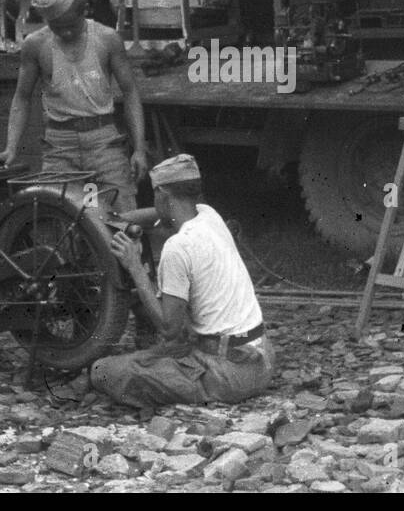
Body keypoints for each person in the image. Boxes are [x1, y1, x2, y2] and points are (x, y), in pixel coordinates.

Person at [90, 154, 275, 407]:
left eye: (155, 194)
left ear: (163, 195)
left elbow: (170, 330)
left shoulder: (177, 248)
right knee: (152, 355)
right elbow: (160, 213)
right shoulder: (210, 216)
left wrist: (134, 266)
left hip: (229, 373)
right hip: (261, 360)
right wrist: (115, 221)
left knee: (103, 370)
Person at [0, 0, 147, 211]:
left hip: (104, 141)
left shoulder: (107, 39)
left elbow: (131, 92)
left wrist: (139, 149)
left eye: (71, 26)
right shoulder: (35, 45)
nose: (65, 33)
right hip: (59, 146)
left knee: (122, 218)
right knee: (59, 222)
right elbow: (21, 97)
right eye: (56, 27)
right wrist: (11, 147)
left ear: (84, 11)